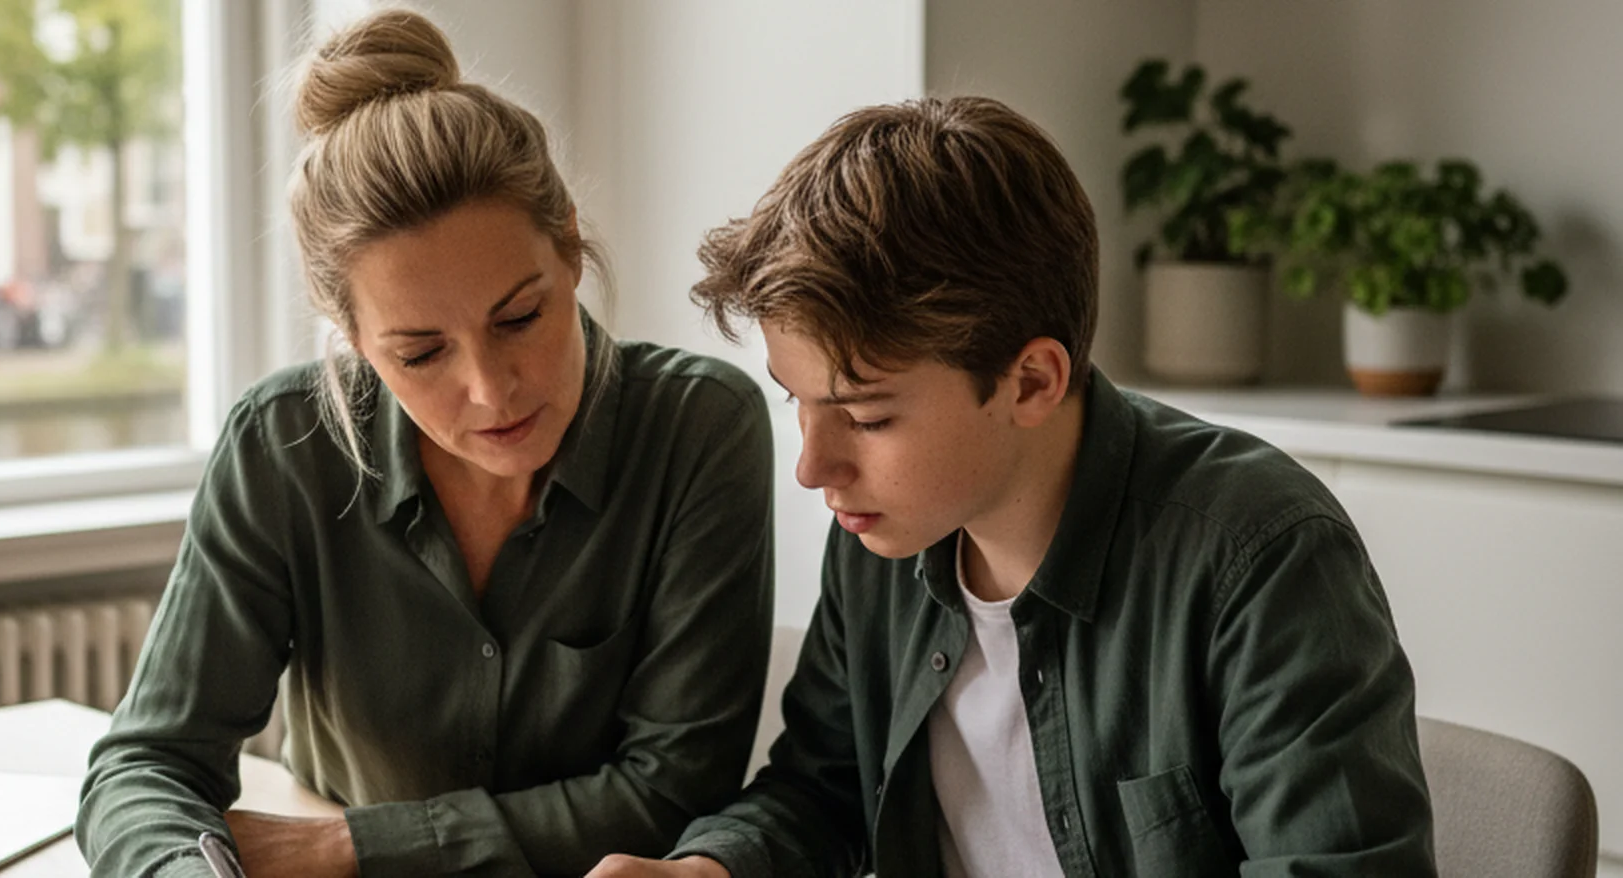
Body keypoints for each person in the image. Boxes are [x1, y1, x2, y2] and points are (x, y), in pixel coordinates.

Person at [590, 95, 1436, 877]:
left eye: (867, 417)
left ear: (1031, 382)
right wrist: (706, 870)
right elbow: (822, 791)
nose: (814, 468)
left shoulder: (1262, 558)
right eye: (797, 402)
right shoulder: (883, 535)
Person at [78, 10, 775, 878]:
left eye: (519, 317)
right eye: (420, 353)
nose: (490, 388)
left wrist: (347, 848)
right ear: (351, 335)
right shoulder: (282, 444)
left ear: (569, 245)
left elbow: (676, 790)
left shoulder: (700, 428)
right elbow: (146, 766)